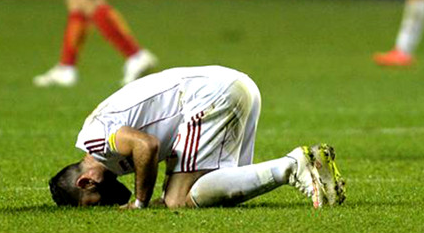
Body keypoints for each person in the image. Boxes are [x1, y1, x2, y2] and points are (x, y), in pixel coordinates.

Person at [48, 65, 346, 209]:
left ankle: (292, 166)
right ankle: (313, 169)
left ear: (85, 181)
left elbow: (146, 145)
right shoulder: (109, 156)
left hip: (210, 96)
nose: (104, 206)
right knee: (213, 190)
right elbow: (164, 142)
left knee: (179, 200)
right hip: (232, 85)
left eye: (92, 203)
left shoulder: (96, 141)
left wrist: (140, 202)